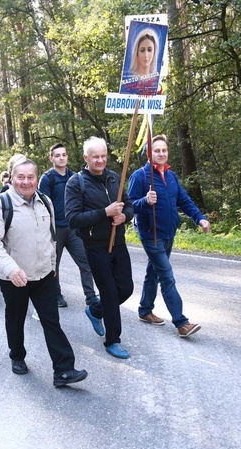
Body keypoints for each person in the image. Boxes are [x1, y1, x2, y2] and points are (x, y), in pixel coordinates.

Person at [0, 158, 87, 387]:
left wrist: (52, 267)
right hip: (15, 279)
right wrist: (10, 269)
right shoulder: (1, 204)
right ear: (12, 178)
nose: (26, 181)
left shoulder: (45, 201)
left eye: (31, 177)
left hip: (44, 276)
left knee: (52, 322)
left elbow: (51, 237)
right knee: (16, 319)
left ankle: (63, 370)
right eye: (21, 176)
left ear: (37, 179)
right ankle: (17, 356)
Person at [127, 134, 210, 337]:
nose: (161, 153)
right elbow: (128, 206)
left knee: (153, 273)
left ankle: (145, 310)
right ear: (149, 153)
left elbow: (184, 200)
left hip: (168, 233)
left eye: (164, 150)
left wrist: (199, 218)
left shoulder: (171, 176)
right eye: (157, 150)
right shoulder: (141, 176)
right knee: (166, 276)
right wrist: (145, 200)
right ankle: (181, 322)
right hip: (150, 234)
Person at [65, 137, 134, 360]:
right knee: (110, 293)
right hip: (95, 246)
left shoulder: (116, 177)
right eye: (95, 156)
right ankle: (113, 340)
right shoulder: (76, 183)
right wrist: (105, 213)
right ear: (86, 158)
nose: (100, 160)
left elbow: (130, 205)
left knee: (126, 289)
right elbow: (73, 218)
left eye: (103, 155)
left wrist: (124, 216)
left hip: (119, 243)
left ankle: (95, 311)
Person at [39, 143, 99, 309]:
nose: (61, 158)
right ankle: (56, 293)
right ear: (51, 158)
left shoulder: (75, 177)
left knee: (85, 262)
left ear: (67, 157)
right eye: (57, 155)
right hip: (55, 229)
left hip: (73, 229)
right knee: (53, 265)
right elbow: (42, 205)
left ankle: (91, 296)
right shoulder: (47, 178)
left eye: (64, 155)